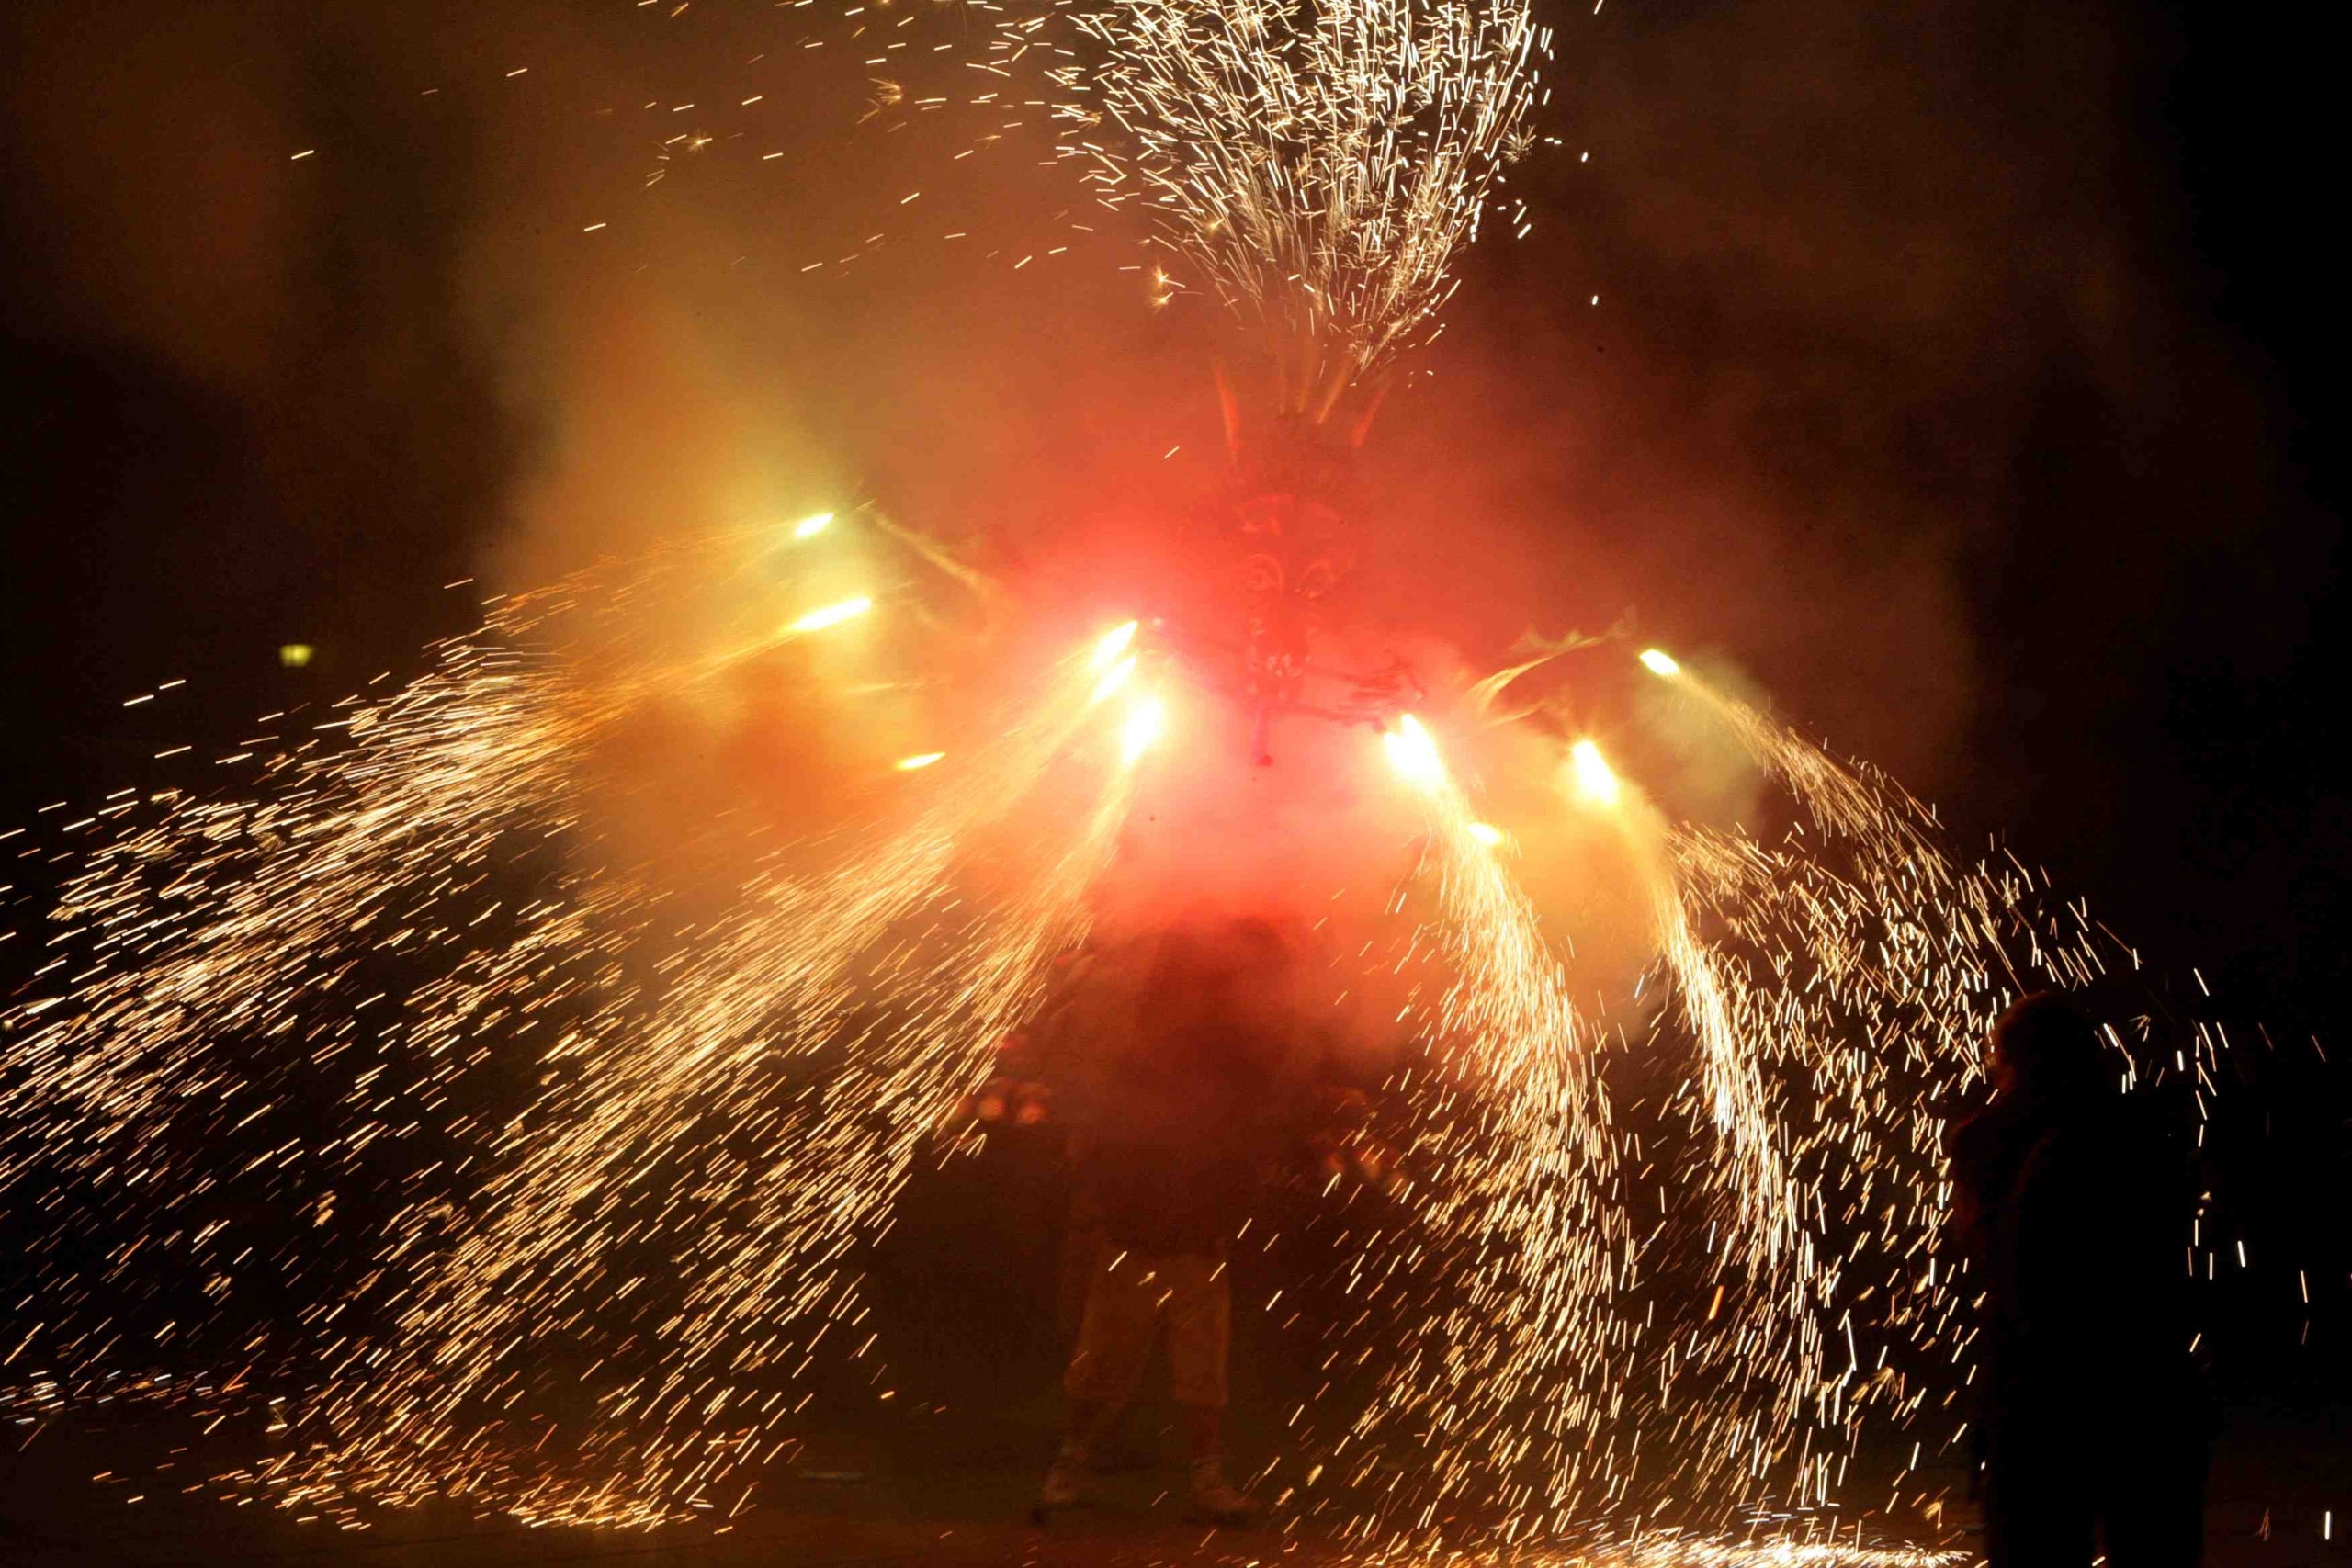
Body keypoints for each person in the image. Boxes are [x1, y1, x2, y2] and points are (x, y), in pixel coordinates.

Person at [1034, 918, 1295, 1528]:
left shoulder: (1222, 1057)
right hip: (1141, 1229)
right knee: (1106, 1357)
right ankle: (1072, 1462)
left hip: (1190, 1233)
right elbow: (1111, 1137)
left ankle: (1200, 1475)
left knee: (1199, 1366)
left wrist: (1221, 1211)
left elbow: (1238, 1143)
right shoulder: (1155, 1052)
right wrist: (1118, 1208)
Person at [1947, 991, 2208, 1567]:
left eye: (1999, 1059)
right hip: (2148, 1392)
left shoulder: (1985, 1141)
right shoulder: (2146, 1132)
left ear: (2012, 1061)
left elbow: (1993, 1256)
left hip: (2038, 1401)